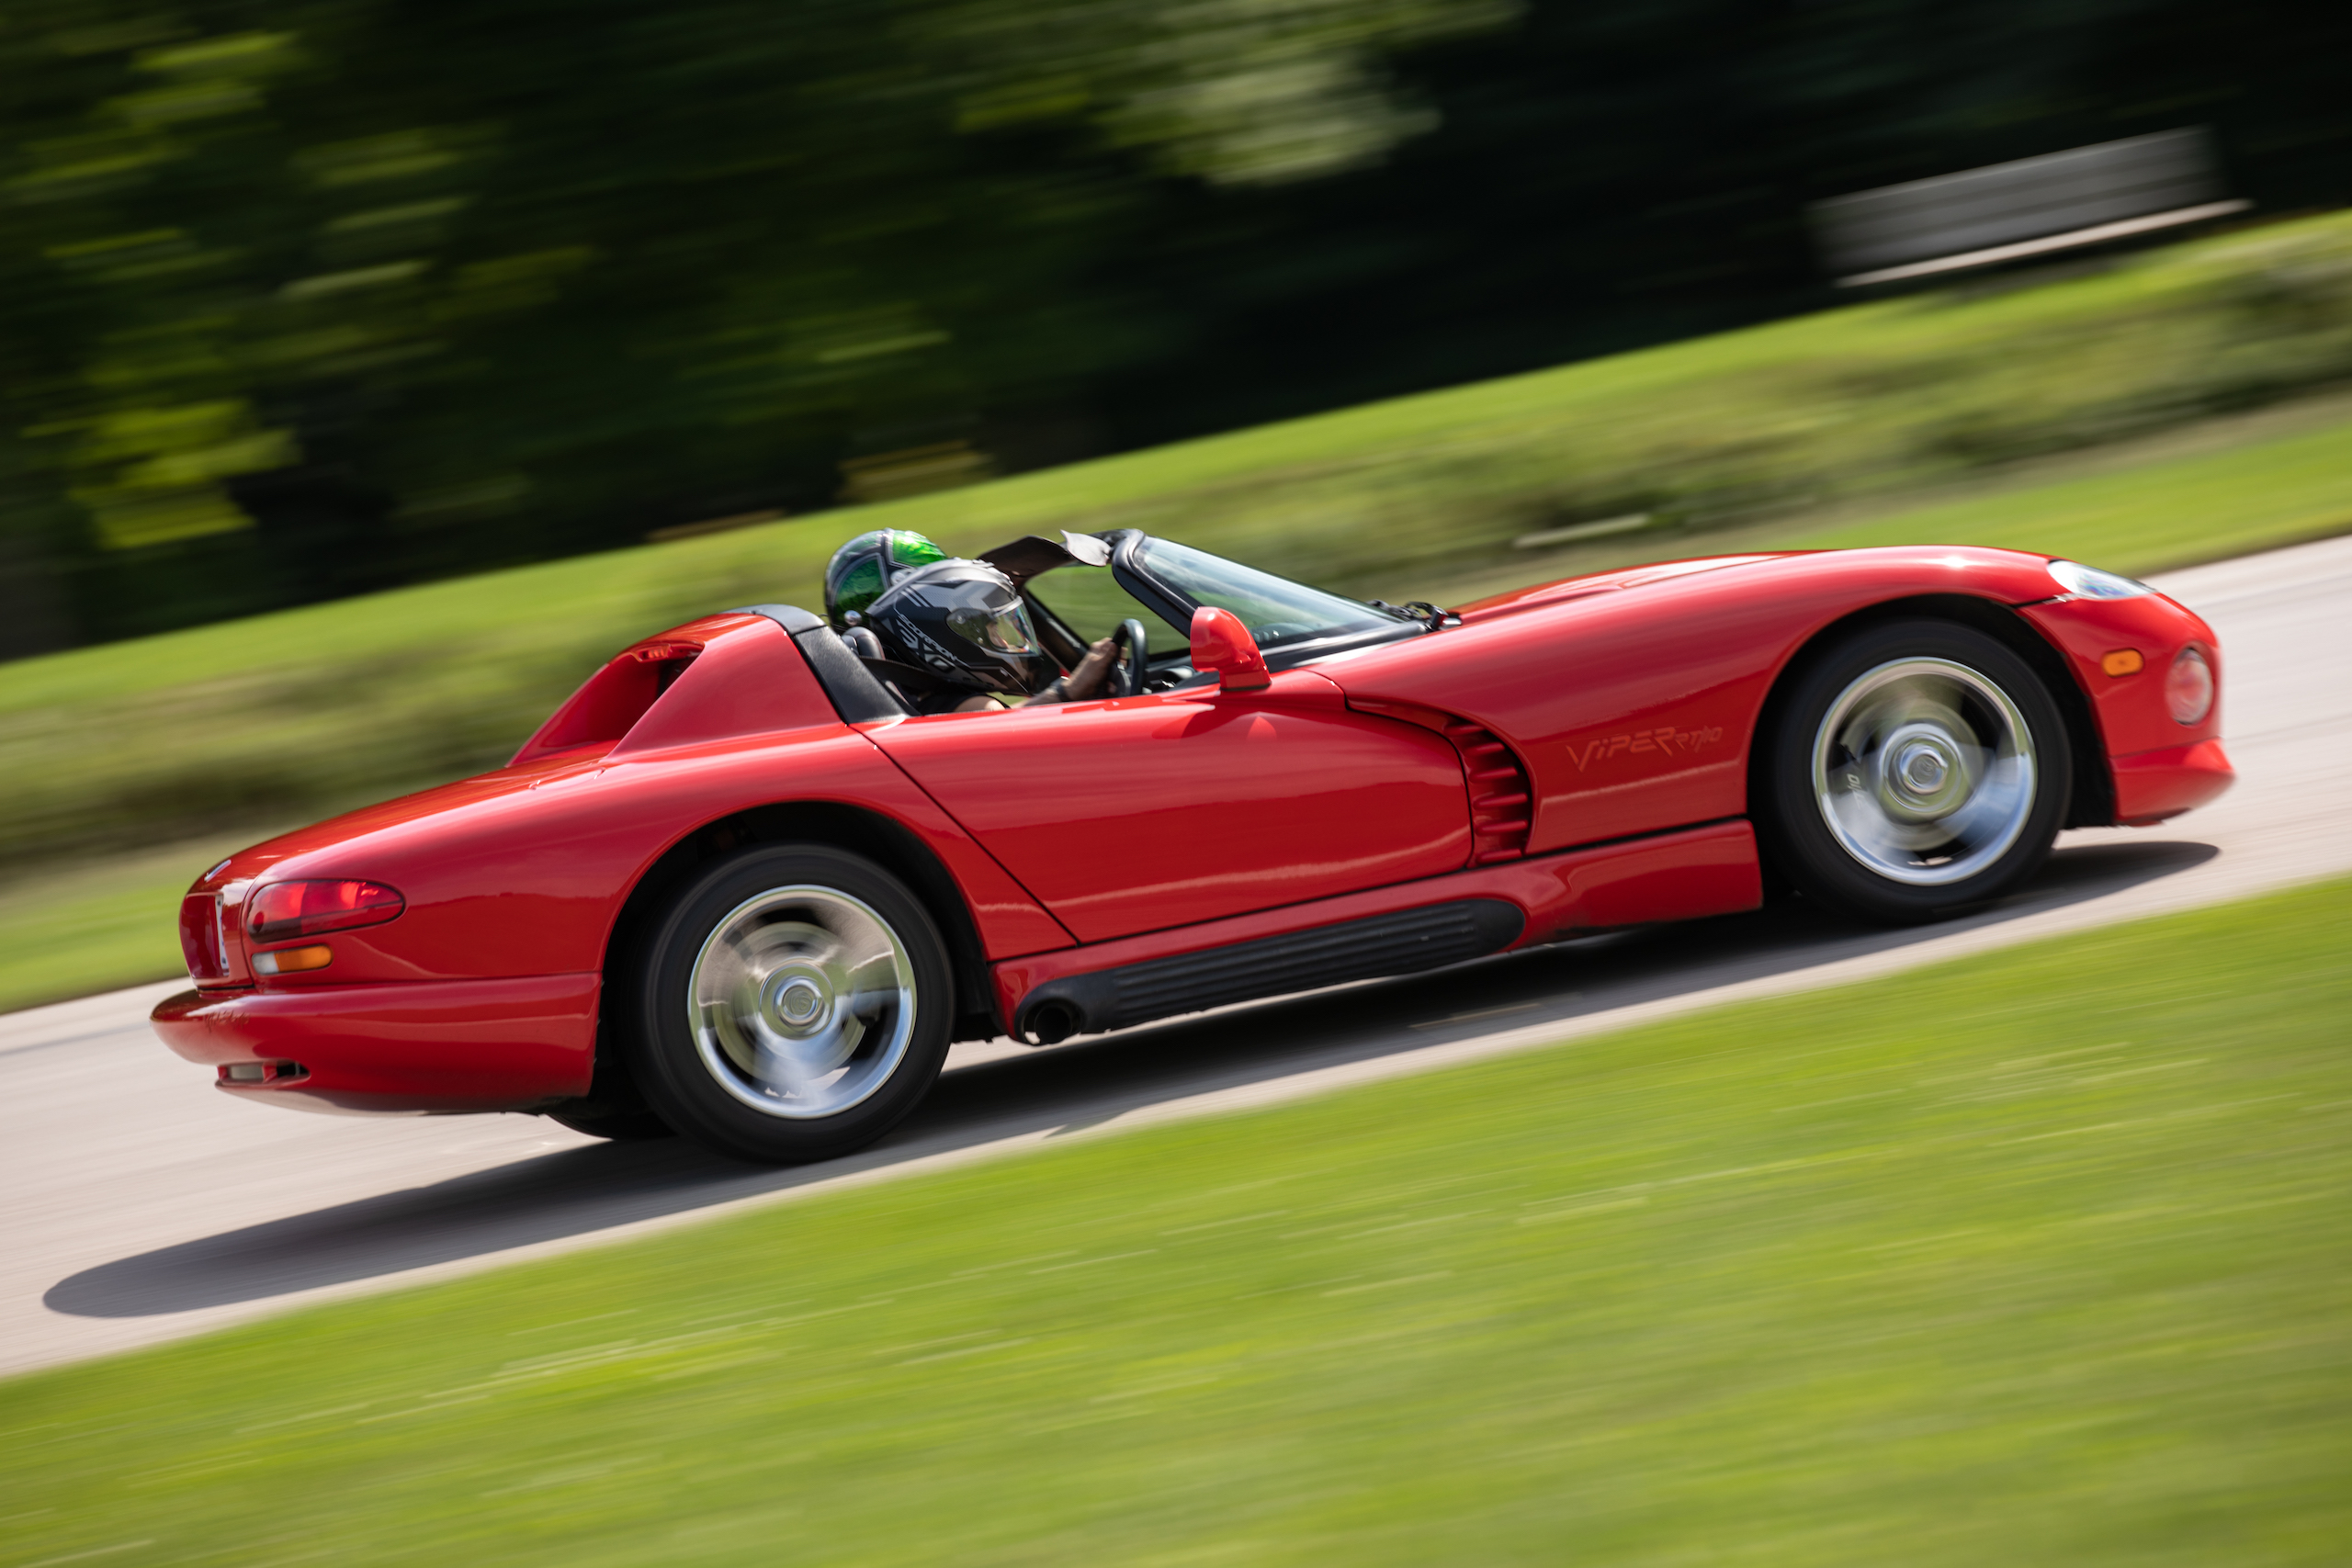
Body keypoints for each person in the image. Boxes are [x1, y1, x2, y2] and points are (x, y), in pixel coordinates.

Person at [822, 533, 1119, 714]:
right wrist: (1071, 690)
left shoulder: (891, 702)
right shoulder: (954, 707)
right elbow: (1005, 726)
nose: (1001, 640)